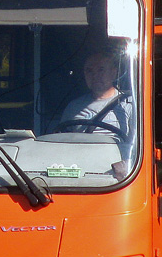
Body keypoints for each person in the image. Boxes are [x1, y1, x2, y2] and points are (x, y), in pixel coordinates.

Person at [55, 48, 135, 178]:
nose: (95, 75)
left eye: (101, 70)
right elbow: (61, 143)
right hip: (81, 171)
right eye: (89, 71)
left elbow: (137, 147)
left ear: (114, 73)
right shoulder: (74, 107)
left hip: (115, 175)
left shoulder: (129, 105)